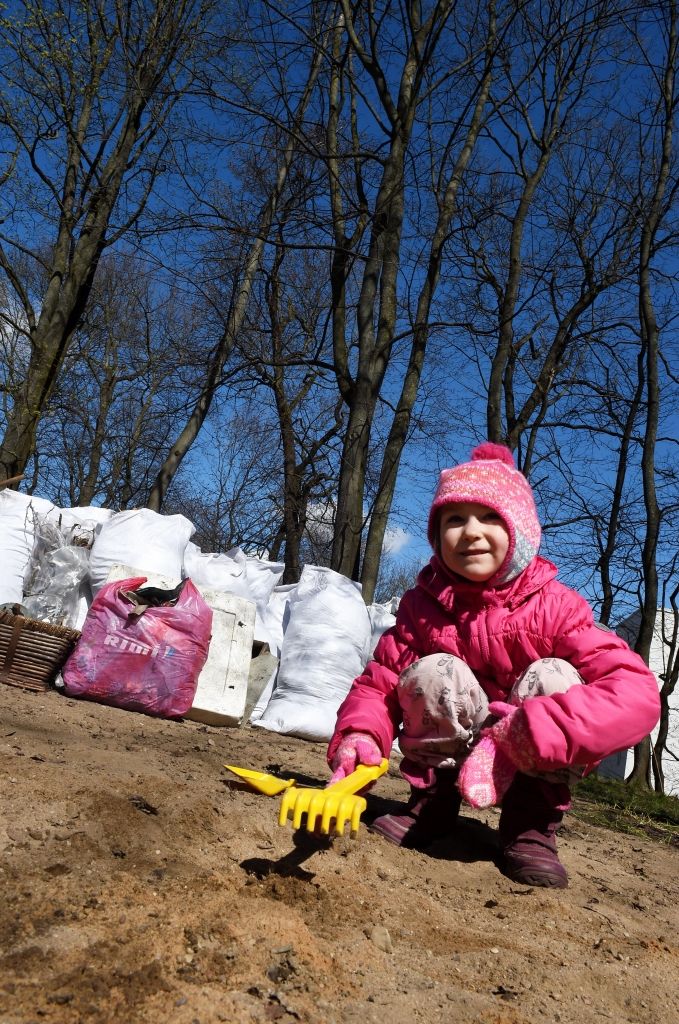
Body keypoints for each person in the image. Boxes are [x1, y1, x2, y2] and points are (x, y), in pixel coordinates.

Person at [326, 443, 660, 888]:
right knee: (431, 670)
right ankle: (432, 802)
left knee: (556, 676)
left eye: (489, 518)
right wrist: (361, 736)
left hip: (524, 744)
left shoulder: (557, 608)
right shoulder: (421, 608)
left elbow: (635, 693)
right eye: (454, 519)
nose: (470, 532)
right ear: (436, 534)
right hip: (456, 738)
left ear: (519, 531)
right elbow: (380, 682)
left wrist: (542, 728)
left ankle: (530, 824)